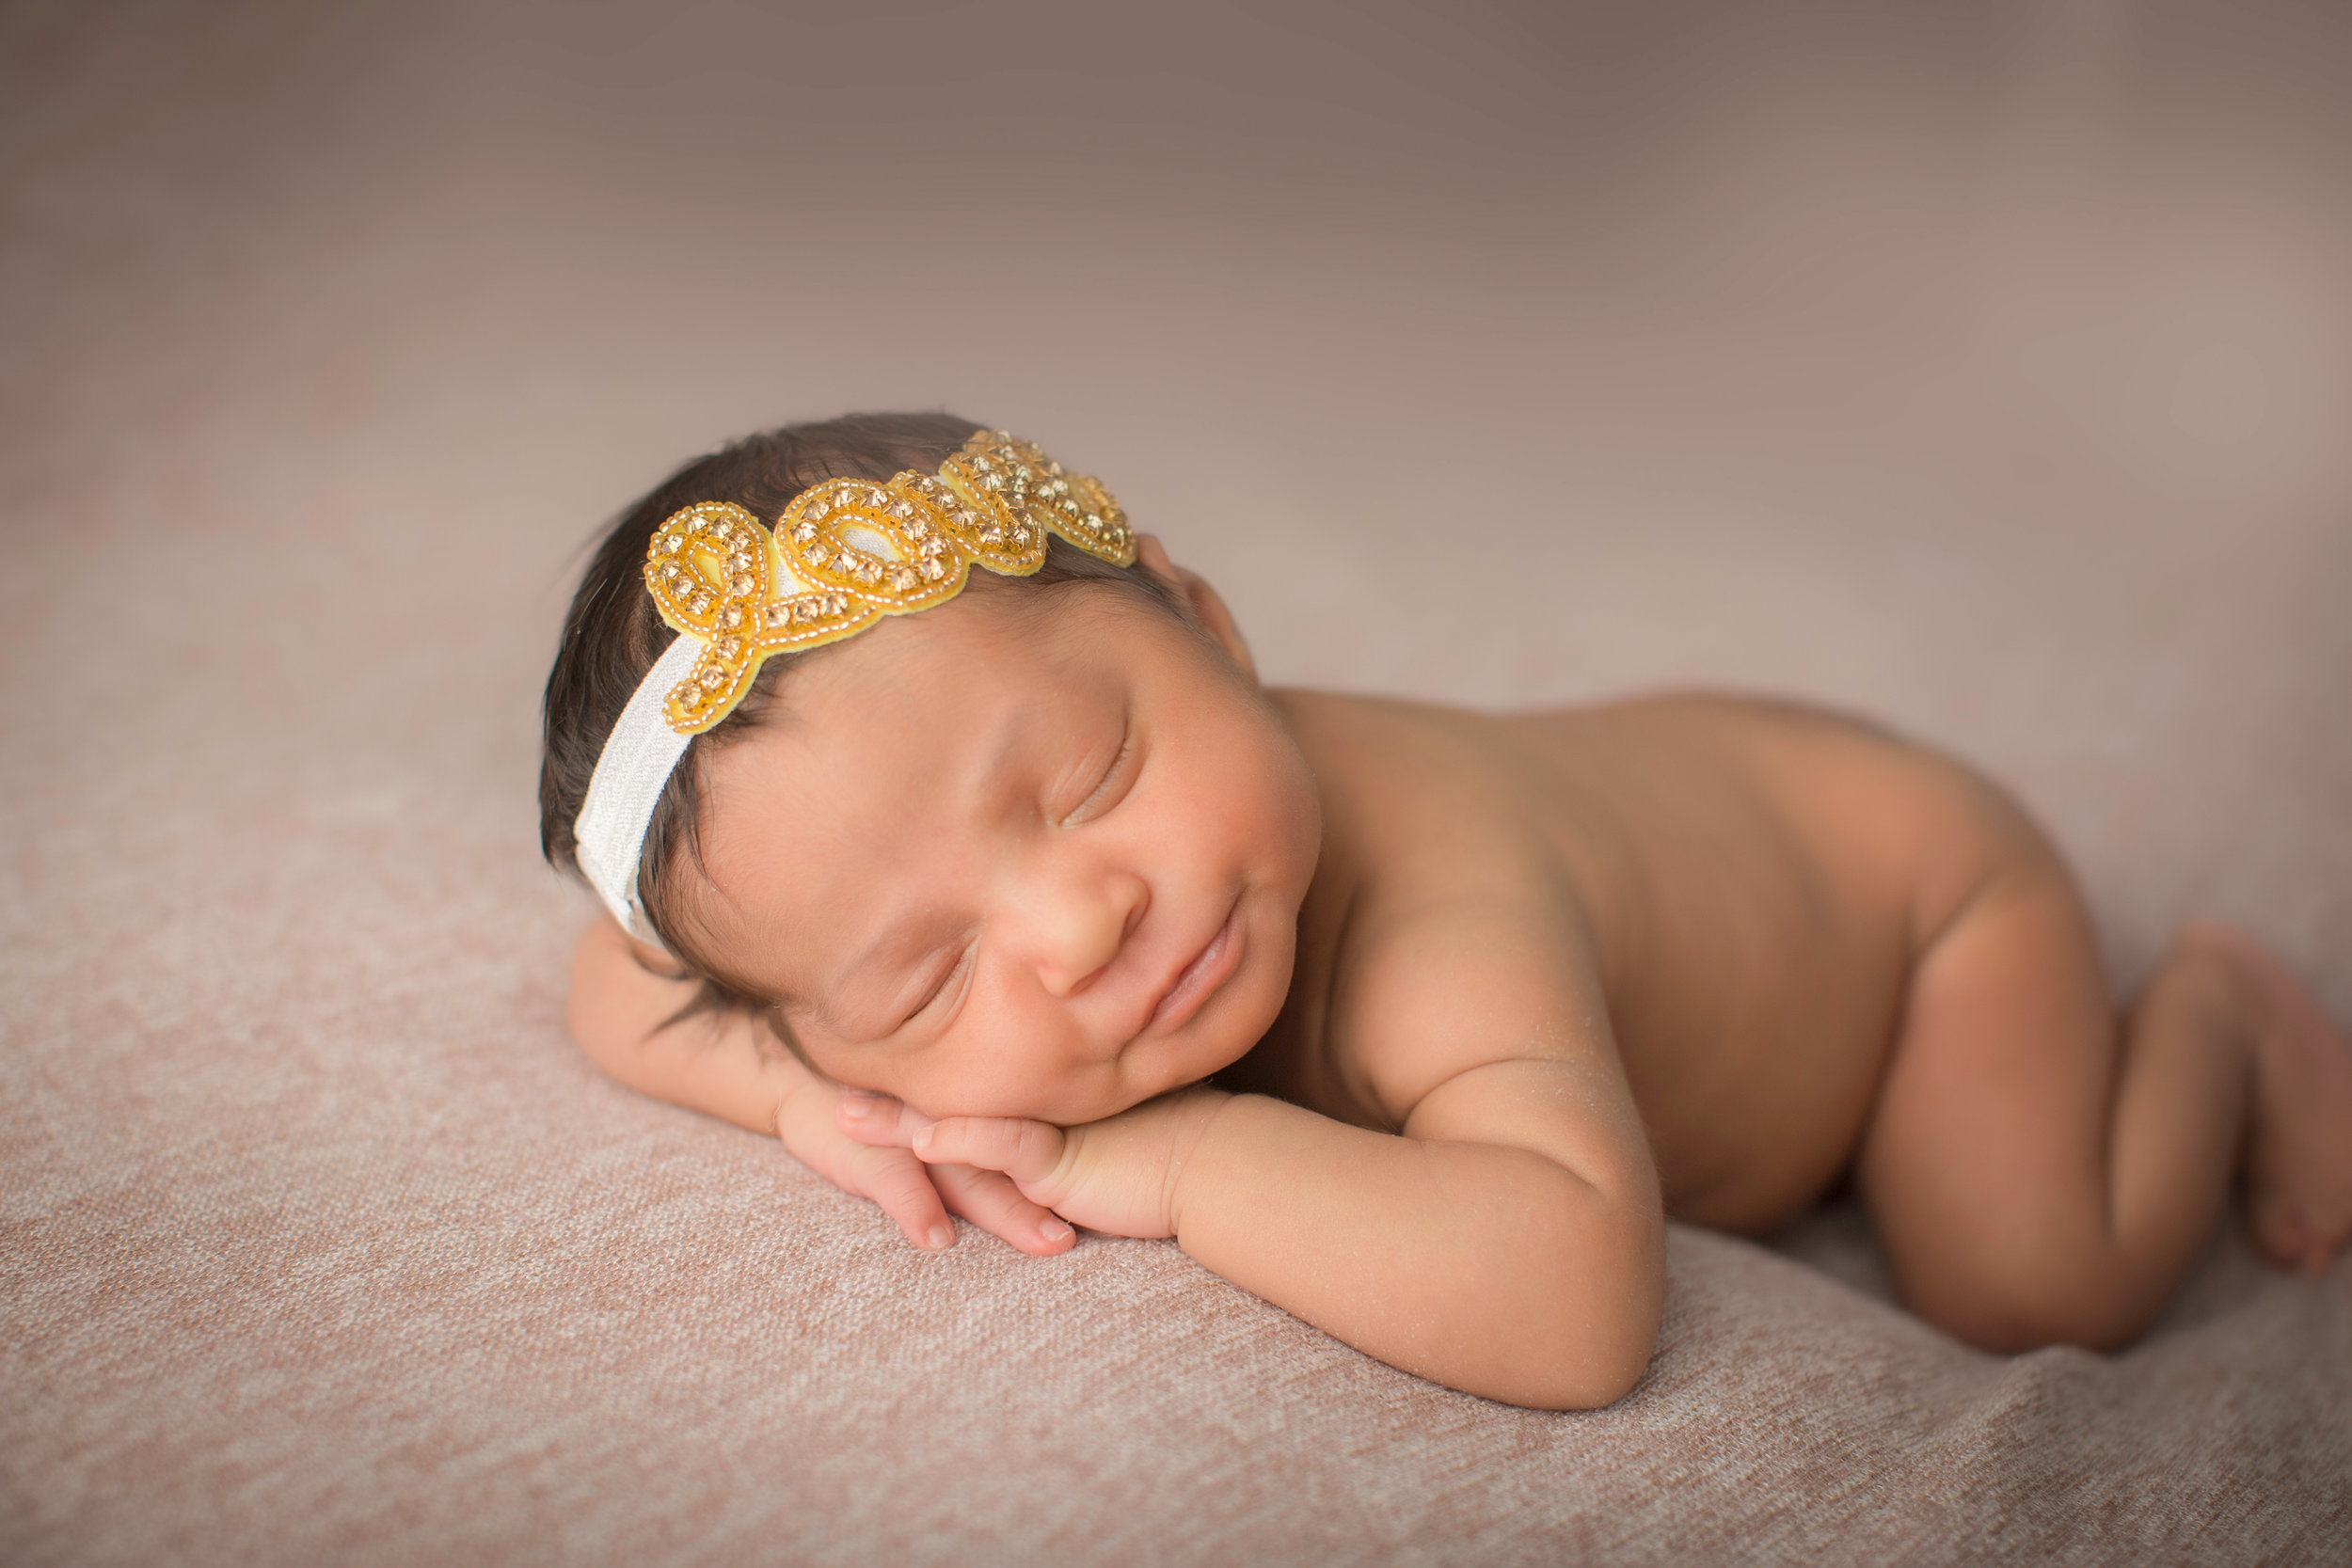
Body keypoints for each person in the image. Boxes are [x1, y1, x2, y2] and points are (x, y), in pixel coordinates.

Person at [539, 412, 2352, 1410]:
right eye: (931, 976)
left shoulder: (1435, 918)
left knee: (2036, 1279)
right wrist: (812, 1104)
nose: (1080, 922)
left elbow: (1573, 1304)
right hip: (1708, 805)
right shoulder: (818, 990)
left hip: (1905, 902)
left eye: (1090, 779)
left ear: (1210, 626)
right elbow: (624, 990)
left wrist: (1174, 1169)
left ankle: (2209, 1007)